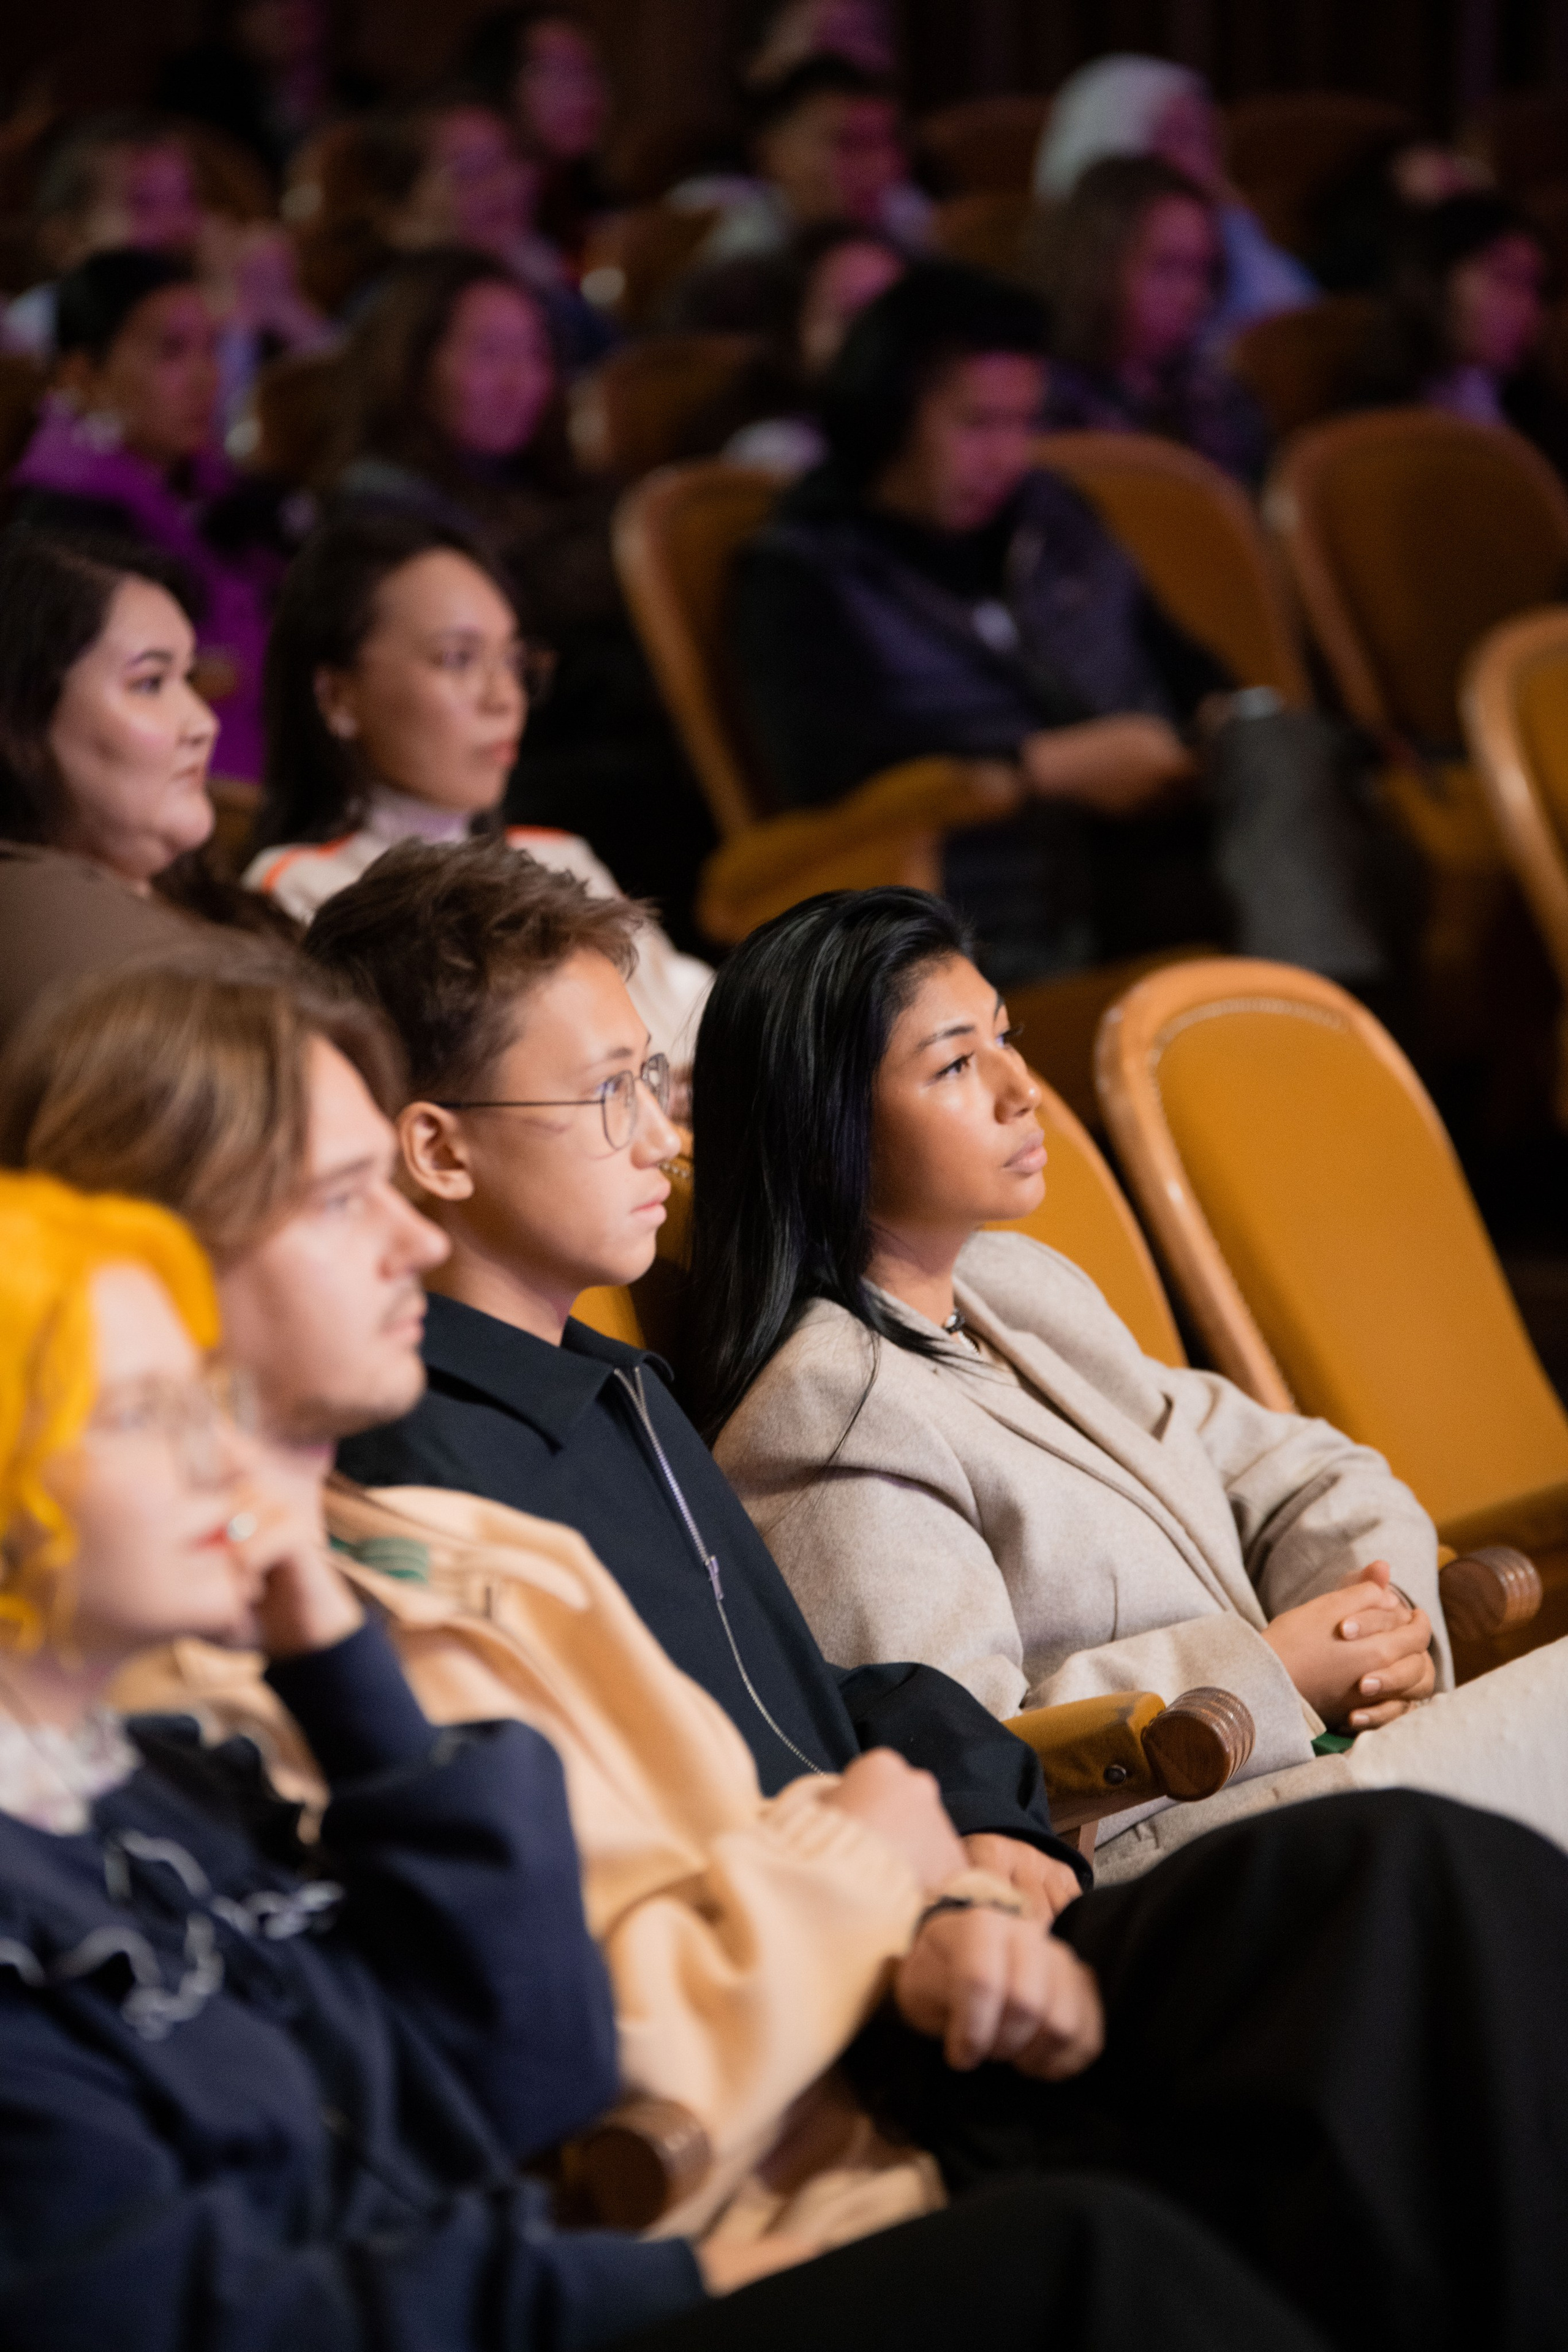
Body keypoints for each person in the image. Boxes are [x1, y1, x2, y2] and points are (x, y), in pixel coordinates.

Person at [10, 921, 1568, 2352]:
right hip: (784, 2086)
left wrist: (954, 1867)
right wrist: (891, 1880)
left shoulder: (504, 1512)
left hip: (889, 1968)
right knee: (1140, 2229)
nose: (408, 1244)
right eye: (344, 1200)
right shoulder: (393, 1558)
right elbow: (556, 2066)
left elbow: (816, 1714)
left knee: (1404, 1879)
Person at [0, 1169, 1295, 2352]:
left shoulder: (187, 1768)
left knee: (1340, 1891)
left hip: (843, 2058)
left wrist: (962, 1884)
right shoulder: (182, 1739)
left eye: (203, 1404)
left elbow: (522, 2068)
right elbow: (554, 2111)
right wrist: (683, 2279)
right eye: (142, 1415)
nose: (216, 1459)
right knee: (1100, 2250)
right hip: (714, 2182)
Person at [684, 884, 1568, 1876]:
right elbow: (962, 1761)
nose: (1022, 1088)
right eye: (957, 1065)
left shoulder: (1017, 1289)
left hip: (1325, 1788)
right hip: (1187, 1869)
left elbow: (1302, 1469)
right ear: (824, 1132)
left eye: (1006, 1038)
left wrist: (1377, 1628)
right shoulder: (827, 1409)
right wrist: (1273, 1673)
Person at [730, 262, 1385, 992]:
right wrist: (1046, 768)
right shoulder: (804, 569)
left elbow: (1181, 664)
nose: (1008, 456)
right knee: (1331, 859)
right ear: (886, 417)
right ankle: (1322, 1015)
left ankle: (1323, 1005)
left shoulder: (1052, 516)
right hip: (993, 895)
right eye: (978, 424)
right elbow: (829, 775)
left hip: (1149, 836)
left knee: (1287, 750)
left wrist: (1207, 726)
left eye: (1024, 423)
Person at [326, 249, 714, 937]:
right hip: (512, 770)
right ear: (409, 363)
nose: (520, 379)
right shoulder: (383, 517)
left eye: (534, 354)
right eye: (488, 353)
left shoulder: (559, 491)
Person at [244, 511, 712, 1066]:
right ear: (336, 696)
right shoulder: (302, 891)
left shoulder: (559, 855)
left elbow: (702, 1016)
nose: (505, 698)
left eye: (512, 661)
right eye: (458, 659)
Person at [7, 251, 281, 782]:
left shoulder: (222, 493)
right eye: (170, 352)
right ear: (82, 374)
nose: (205, 377)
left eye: (211, 347)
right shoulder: (62, 529)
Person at [0, 529, 231, 1049]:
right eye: (150, 683)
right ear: (23, 718)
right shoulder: (40, 931)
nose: (204, 723)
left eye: (190, 679)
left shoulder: (205, 900)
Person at [1, 110, 331, 429]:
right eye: (144, 203)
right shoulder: (35, 328)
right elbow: (214, 438)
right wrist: (238, 325)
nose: (175, 227)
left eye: (186, 198)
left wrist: (281, 304)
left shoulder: (203, 300)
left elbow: (341, 397)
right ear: (66, 239)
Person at [1031, 53, 1313, 349]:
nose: (1196, 163)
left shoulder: (1224, 228)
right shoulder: (1066, 271)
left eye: (1205, 140)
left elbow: (1293, 331)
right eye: (1175, 138)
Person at [1031, 154, 1270, 483]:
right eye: (1167, 268)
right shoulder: (1041, 398)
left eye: (1202, 271)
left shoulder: (1215, 394)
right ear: (1095, 266)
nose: (1192, 295)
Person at [363, 96, 613, 373]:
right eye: (469, 170)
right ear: (404, 209)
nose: (498, 186)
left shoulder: (561, 286)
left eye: (508, 161)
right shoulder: (386, 316)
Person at [1340, 190, 1568, 476]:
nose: (1531, 310)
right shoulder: (1376, 423)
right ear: (1435, 280)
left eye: (1537, 289)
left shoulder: (1535, 411)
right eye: (1507, 277)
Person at [672, 55, 930, 282]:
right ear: (773, 152)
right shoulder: (716, 227)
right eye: (848, 143)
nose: (883, 166)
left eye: (889, 142)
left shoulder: (906, 217)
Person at [683, 221, 906, 475]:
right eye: (850, 318)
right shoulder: (776, 450)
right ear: (792, 333)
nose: (883, 341)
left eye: (897, 318)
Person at [463, 6, 619, 270]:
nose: (583, 91)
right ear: (501, 81)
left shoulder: (600, 213)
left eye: (590, 70)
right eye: (557, 72)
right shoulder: (476, 213)